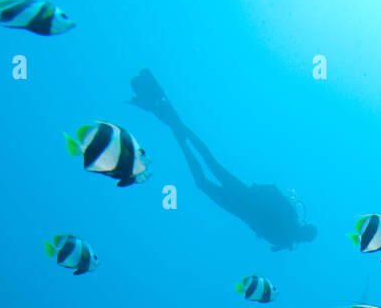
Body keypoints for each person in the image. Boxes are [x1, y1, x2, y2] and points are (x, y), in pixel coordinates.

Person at [128, 69, 317, 252]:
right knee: (211, 165)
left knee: (204, 177)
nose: (302, 236)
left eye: (305, 237)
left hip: (239, 207)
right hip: (243, 196)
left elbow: (267, 209)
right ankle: (179, 128)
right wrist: (256, 192)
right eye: (305, 234)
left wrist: (278, 243)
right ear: (304, 227)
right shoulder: (291, 217)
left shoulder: (285, 240)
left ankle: (179, 130)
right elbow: (272, 190)